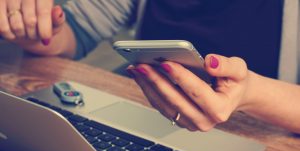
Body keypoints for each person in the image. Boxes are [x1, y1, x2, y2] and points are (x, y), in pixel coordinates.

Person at [0, 0, 299, 134]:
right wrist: (34, 25)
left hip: (265, 142)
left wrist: (251, 93)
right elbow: (76, 30)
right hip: (145, 121)